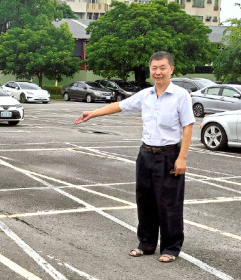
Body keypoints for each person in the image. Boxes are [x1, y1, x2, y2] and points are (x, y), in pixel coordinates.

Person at [74, 51, 194, 263]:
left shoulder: (181, 95)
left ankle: (171, 247)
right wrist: (93, 113)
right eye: (154, 68)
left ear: (171, 69)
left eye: (162, 68)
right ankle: (146, 244)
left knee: (169, 203)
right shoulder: (146, 95)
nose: (158, 72)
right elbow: (119, 106)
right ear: (150, 70)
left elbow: (187, 127)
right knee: (145, 200)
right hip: (146, 154)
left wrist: (182, 158)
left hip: (169, 155)